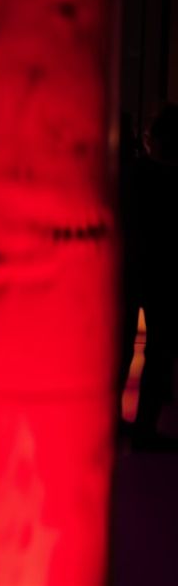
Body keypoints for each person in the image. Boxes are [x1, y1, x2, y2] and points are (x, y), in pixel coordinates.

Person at [121, 104, 178, 449]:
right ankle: (145, 427)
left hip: (130, 268)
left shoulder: (134, 175)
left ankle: (113, 424)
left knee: (122, 345)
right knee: (159, 351)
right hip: (165, 273)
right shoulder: (171, 182)